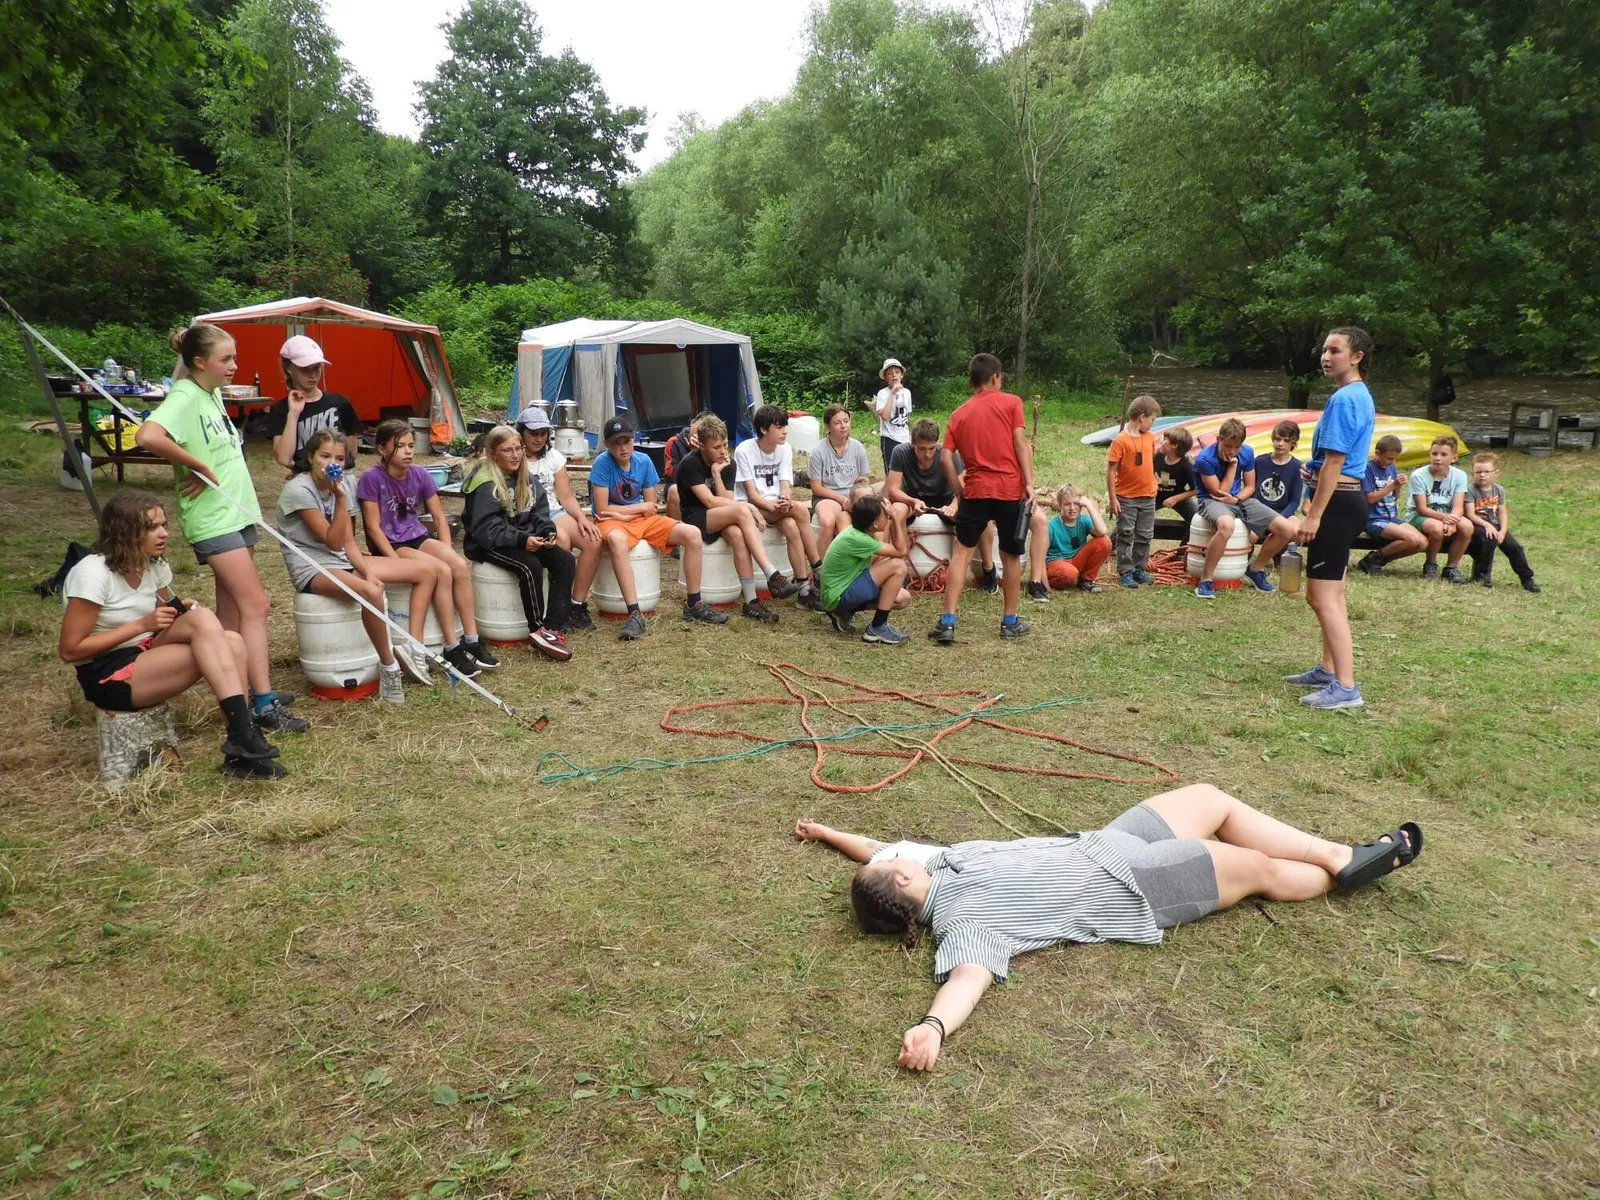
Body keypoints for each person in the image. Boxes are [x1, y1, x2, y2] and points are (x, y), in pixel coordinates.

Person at [796, 783, 1422, 1073]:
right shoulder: (964, 921)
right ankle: (1347, 869)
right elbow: (966, 979)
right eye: (893, 863)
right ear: (904, 882)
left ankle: (1339, 854)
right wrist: (933, 1028)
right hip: (1138, 883)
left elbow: (877, 848)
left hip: (1106, 841)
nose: (896, 853)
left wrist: (828, 833)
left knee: (1210, 799)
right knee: (1256, 867)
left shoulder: (935, 863)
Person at [135, 323, 307, 734]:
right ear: (200, 362)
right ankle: (263, 704)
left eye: (234, 358)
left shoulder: (208, 392)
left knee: (231, 611)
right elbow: (147, 435)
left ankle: (240, 692)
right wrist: (196, 465)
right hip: (214, 520)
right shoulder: (184, 396)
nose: (234, 366)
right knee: (257, 605)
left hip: (237, 512)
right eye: (225, 359)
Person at [58, 492, 284, 779]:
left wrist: (178, 611)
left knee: (231, 640)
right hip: (107, 673)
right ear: (125, 531)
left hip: (145, 652)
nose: (164, 533)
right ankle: (242, 736)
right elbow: (70, 650)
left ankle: (241, 741)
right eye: (152, 527)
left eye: (164, 525)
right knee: (217, 636)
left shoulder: (153, 565)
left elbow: (163, 614)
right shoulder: (92, 574)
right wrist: (142, 624)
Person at [277, 430, 432, 702]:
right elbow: (333, 541)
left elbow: (348, 542)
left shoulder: (344, 483)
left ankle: (413, 647)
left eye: (339, 458)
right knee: (371, 592)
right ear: (311, 457)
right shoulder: (299, 490)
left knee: (425, 571)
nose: (332, 463)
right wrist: (339, 498)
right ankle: (389, 667)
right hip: (312, 567)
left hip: (342, 559)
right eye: (325, 456)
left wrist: (369, 572)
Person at [358, 419, 495, 679]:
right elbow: (373, 528)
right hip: (391, 544)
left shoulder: (419, 474)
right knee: (441, 570)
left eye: (411, 445)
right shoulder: (371, 478)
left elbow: (439, 517)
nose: (408, 451)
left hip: (416, 536)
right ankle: (451, 646)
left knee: (457, 565)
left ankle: (471, 640)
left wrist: (446, 547)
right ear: (382, 449)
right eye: (400, 446)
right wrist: (394, 560)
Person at [1285, 326, 1379, 710]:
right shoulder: (1357, 394)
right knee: (1334, 593)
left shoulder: (1345, 399)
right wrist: (1314, 470)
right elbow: (1332, 461)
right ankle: (1328, 670)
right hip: (1347, 499)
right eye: (1324, 350)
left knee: (1320, 597)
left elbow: (1336, 463)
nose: (1326, 357)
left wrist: (1313, 515)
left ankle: (1346, 687)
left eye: (1335, 350)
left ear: (1356, 357)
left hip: (1338, 505)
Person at [591, 416, 730, 640]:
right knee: (617, 540)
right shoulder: (602, 463)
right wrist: (634, 510)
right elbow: (602, 509)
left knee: (692, 533)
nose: (623, 448)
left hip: (639, 520)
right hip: (612, 522)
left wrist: (627, 511)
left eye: (627, 441)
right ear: (607, 445)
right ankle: (634, 612)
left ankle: (694, 603)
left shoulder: (643, 461)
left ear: (633, 440)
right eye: (616, 443)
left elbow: (651, 507)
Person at [932, 354, 1033, 644]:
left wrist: (959, 491)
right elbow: (1020, 443)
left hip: (975, 490)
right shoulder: (1012, 403)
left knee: (962, 553)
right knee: (1010, 555)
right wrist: (1029, 483)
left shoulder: (959, 414)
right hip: (1009, 489)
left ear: (973, 380)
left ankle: (948, 622)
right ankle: (1009, 621)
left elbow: (945, 459)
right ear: (995, 378)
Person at [462, 425, 576, 660]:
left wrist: (546, 531)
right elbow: (486, 530)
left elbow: (539, 511)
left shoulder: (526, 477)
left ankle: (552, 627)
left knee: (564, 560)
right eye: (507, 450)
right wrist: (523, 540)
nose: (515, 455)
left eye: (518, 449)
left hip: (521, 536)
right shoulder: (485, 484)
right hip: (488, 544)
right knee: (529, 566)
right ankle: (537, 630)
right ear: (493, 453)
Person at [675, 412, 801, 623]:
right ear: (702, 446)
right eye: (716, 447)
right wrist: (748, 507)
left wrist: (717, 474)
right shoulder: (690, 464)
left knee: (737, 535)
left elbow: (726, 499)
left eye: (725, 445)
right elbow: (709, 502)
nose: (722, 451)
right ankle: (771, 573)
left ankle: (751, 601)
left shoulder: (727, 464)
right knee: (742, 511)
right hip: (695, 517)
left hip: (720, 516)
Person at [1190, 418, 1298, 598]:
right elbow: (1220, 493)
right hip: (1211, 500)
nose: (1232, 451)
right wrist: (1233, 466)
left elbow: (1250, 486)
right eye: (1228, 446)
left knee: (1287, 529)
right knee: (1227, 526)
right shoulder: (1205, 459)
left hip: (1238, 499)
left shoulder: (1247, 452)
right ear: (1218, 439)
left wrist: (1237, 498)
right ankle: (1206, 579)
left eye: (1237, 447)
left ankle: (1255, 570)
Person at [516, 407, 602, 632]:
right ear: (521, 432)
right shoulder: (514, 456)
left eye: (543, 433)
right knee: (561, 539)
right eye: (533, 433)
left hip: (554, 510)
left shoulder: (553, 456)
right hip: (529, 515)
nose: (538, 438)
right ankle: (557, 612)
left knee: (593, 539)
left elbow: (565, 496)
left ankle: (576, 605)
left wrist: (582, 518)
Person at [883, 419, 996, 582]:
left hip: (945, 502)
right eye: (922, 449)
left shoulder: (948, 455)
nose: (928, 454)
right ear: (912, 443)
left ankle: (988, 569)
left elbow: (963, 489)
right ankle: (899, 567)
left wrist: (954, 505)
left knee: (980, 515)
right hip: (912, 501)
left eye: (931, 448)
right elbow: (892, 490)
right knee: (897, 510)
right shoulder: (901, 452)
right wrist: (912, 501)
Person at [734, 406, 823, 611]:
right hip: (752, 508)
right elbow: (751, 495)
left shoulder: (785, 449)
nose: (785, 431)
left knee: (791, 525)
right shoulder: (744, 450)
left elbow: (785, 484)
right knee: (801, 510)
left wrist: (785, 499)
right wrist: (775, 506)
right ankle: (818, 568)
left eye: (785, 426)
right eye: (779, 427)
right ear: (763, 429)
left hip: (776, 507)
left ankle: (804, 591)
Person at [819, 494, 912, 643]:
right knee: (898, 566)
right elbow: (901, 551)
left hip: (839, 593)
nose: (888, 516)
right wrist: (895, 517)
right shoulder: (857, 539)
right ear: (875, 523)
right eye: (886, 515)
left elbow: (888, 554)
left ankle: (844, 612)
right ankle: (877, 627)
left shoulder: (857, 533)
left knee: (902, 598)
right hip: (838, 597)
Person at [266, 335, 362, 475]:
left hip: (339, 475)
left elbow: (351, 453)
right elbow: (284, 458)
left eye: (317, 368)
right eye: (305, 369)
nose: (312, 375)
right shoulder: (281, 409)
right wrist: (293, 415)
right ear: (288, 368)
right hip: (305, 477)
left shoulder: (340, 403)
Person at [1465, 452, 1541, 592]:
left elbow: (1502, 512)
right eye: (1478, 472)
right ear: (1472, 473)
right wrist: (1487, 525)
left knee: (1515, 547)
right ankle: (1481, 576)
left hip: (1496, 525)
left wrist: (1503, 531)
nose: (1482, 475)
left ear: (1496, 473)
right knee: (1489, 540)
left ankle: (1527, 578)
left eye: (1486, 472)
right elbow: (1470, 514)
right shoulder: (1470, 490)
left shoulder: (1498, 490)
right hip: (1478, 525)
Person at [1106, 395, 1160, 589]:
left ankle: (1139, 568)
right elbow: (1111, 470)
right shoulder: (1121, 440)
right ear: (1142, 417)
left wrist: (1153, 483)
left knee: (1145, 535)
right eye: (1152, 419)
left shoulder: (1149, 438)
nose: (1153, 424)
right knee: (1126, 534)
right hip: (1126, 498)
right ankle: (1126, 571)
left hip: (1148, 497)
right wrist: (1113, 498)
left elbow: (1149, 462)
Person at [1404, 435, 1474, 583]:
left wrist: (1451, 521)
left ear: (1454, 458)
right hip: (1419, 515)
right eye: (1434, 454)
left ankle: (1451, 568)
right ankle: (1430, 564)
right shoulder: (1418, 475)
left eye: (1443, 454)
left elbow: (1458, 507)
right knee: (1437, 528)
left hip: (1448, 515)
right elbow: (1422, 508)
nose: (1437, 458)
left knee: (1467, 527)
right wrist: (1445, 520)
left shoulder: (1460, 476)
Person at [1355, 435, 1428, 576]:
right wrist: (1392, 485)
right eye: (1389, 458)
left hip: (1390, 517)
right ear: (1377, 453)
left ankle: (1377, 560)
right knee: (1412, 540)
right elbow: (1370, 499)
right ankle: (1374, 559)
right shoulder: (1367, 469)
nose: (1392, 462)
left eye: (1394, 459)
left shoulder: (1391, 467)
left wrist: (1398, 486)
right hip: (1373, 519)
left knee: (1422, 543)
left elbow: (1394, 498)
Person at [807, 404, 872, 559]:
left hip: (852, 494)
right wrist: (842, 500)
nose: (843, 426)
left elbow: (865, 479)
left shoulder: (857, 447)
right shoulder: (818, 451)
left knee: (870, 517)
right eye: (837, 423)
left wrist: (856, 493)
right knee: (828, 522)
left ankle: (867, 561)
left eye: (846, 421)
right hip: (827, 496)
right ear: (828, 426)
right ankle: (820, 566)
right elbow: (816, 487)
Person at [1026, 484, 1111, 599]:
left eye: (1076, 503)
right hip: (1057, 563)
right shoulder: (1051, 526)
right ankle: (1057, 581)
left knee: (1104, 541)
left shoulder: (1083, 520)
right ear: (1059, 505)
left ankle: (1085, 580)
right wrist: (1045, 585)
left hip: (1076, 560)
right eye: (1067, 504)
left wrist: (1089, 505)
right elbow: (1040, 558)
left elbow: (1102, 531)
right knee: (1069, 573)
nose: (1072, 508)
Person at [1256, 419, 1305, 519]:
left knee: (1295, 525)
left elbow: (1294, 501)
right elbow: (1252, 492)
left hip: (1282, 514)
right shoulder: (1259, 461)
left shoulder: (1296, 467)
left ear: (1293, 443)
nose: (1280, 444)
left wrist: (1279, 519)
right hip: (1259, 512)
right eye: (1278, 439)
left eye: (1286, 440)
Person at [874, 357, 913, 472]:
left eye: (897, 372)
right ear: (886, 378)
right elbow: (885, 416)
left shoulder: (907, 393)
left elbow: (906, 417)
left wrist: (910, 436)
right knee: (891, 472)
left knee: (908, 471)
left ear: (902, 375)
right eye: (890, 373)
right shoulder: (882, 393)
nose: (894, 375)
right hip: (889, 438)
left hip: (905, 438)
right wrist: (893, 393)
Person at [1154, 426, 1198, 524]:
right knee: (1141, 514)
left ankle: (1188, 535)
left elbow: (1196, 489)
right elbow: (1149, 473)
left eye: (1164, 439)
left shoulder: (1187, 466)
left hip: (1178, 496)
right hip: (1157, 495)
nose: (1161, 441)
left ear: (1174, 445)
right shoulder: (1158, 457)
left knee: (1196, 520)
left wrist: (1176, 498)